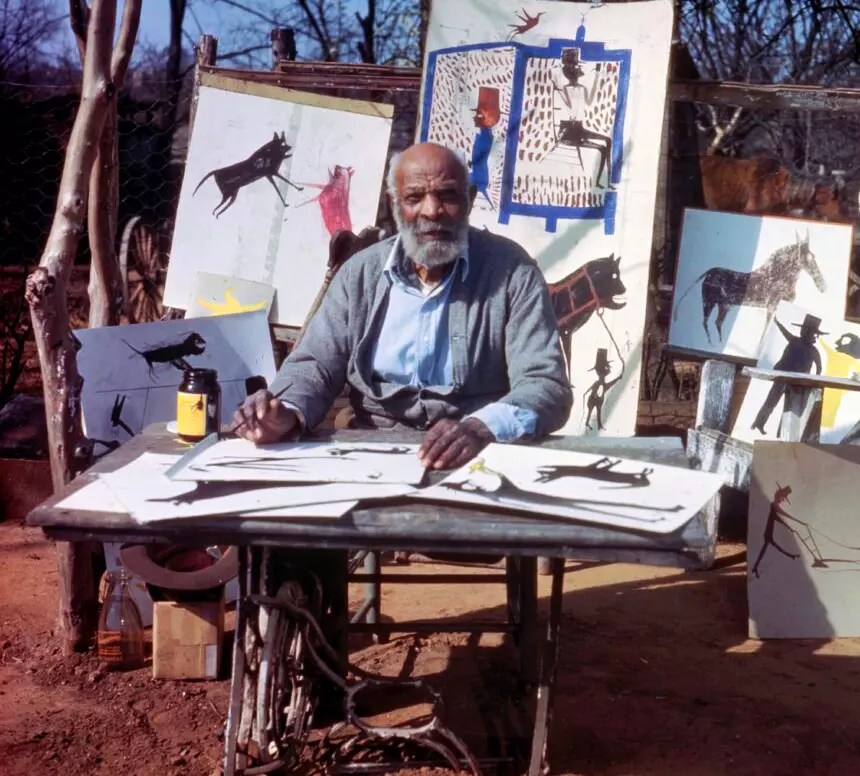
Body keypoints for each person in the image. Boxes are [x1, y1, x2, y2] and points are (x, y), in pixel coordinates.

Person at [233, 142, 572, 469]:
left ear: (468, 201)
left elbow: (545, 386)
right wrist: (283, 411)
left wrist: (480, 427)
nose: (431, 211)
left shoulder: (512, 271)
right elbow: (316, 364)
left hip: (477, 456)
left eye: (447, 195)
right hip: (369, 451)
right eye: (414, 198)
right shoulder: (360, 274)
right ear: (394, 206)